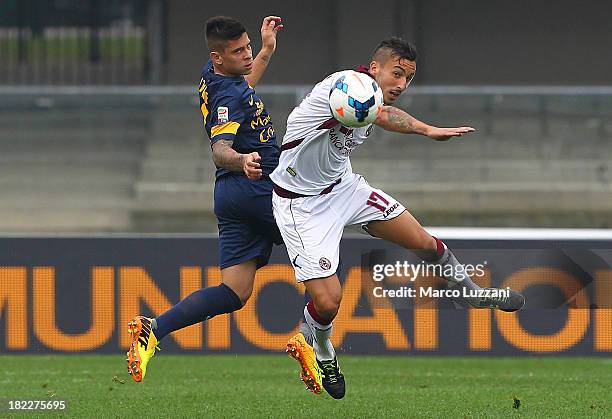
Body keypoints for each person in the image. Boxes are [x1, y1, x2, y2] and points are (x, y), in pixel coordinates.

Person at [270, 37, 526, 399]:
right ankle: (324, 352)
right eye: (397, 74)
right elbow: (356, 106)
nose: (402, 85)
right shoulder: (343, 87)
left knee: (424, 242)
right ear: (374, 68)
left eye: (408, 78)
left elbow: (383, 114)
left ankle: (473, 296)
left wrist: (426, 129)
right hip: (302, 204)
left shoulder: (369, 100)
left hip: (345, 188)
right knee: (328, 302)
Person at [126, 15, 284, 382]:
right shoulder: (227, 92)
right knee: (317, 238)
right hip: (256, 183)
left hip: (230, 195)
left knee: (234, 291)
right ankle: (316, 342)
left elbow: (243, 88)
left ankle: (153, 330)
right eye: (239, 51)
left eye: (247, 47)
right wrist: (243, 159)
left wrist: (266, 52)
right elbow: (220, 149)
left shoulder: (216, 77)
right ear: (218, 57)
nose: (246, 54)